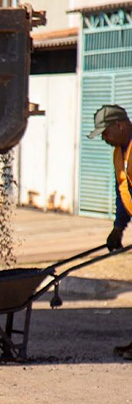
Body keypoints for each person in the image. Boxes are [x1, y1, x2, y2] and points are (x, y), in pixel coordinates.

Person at [87, 104, 132, 361]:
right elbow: (123, 191)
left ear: (120, 125)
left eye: (105, 132)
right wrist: (118, 227)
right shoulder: (119, 152)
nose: (103, 138)